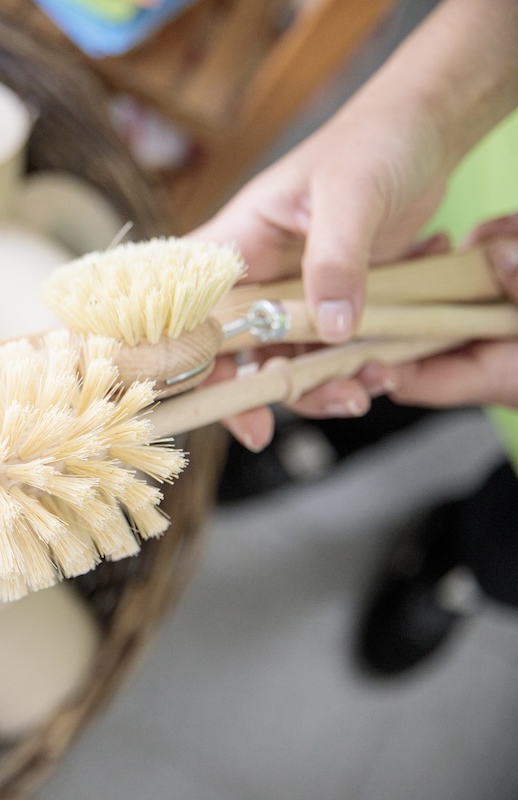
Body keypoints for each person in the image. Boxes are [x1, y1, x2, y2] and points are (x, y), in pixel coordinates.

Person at [188, 0, 518, 676]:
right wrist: (425, 107)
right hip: (478, 187)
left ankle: (457, 560)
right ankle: (332, 435)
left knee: (507, 555)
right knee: (386, 357)